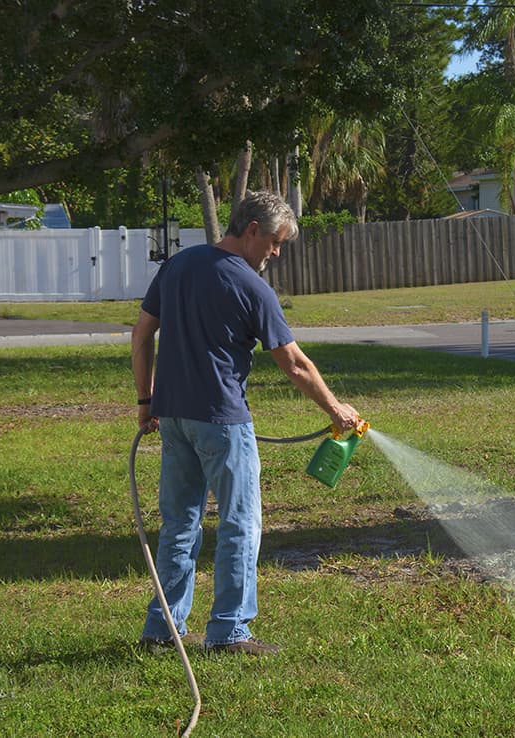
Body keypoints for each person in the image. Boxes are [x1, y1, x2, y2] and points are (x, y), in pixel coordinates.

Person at [131, 190, 360, 656]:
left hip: (173, 417)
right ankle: (230, 631)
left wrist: (145, 399)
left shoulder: (177, 266)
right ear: (252, 230)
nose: (275, 254)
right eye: (275, 242)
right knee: (239, 523)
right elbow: (294, 364)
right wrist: (337, 411)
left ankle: (163, 631)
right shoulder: (253, 287)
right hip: (222, 422)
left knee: (179, 523)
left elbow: (141, 334)